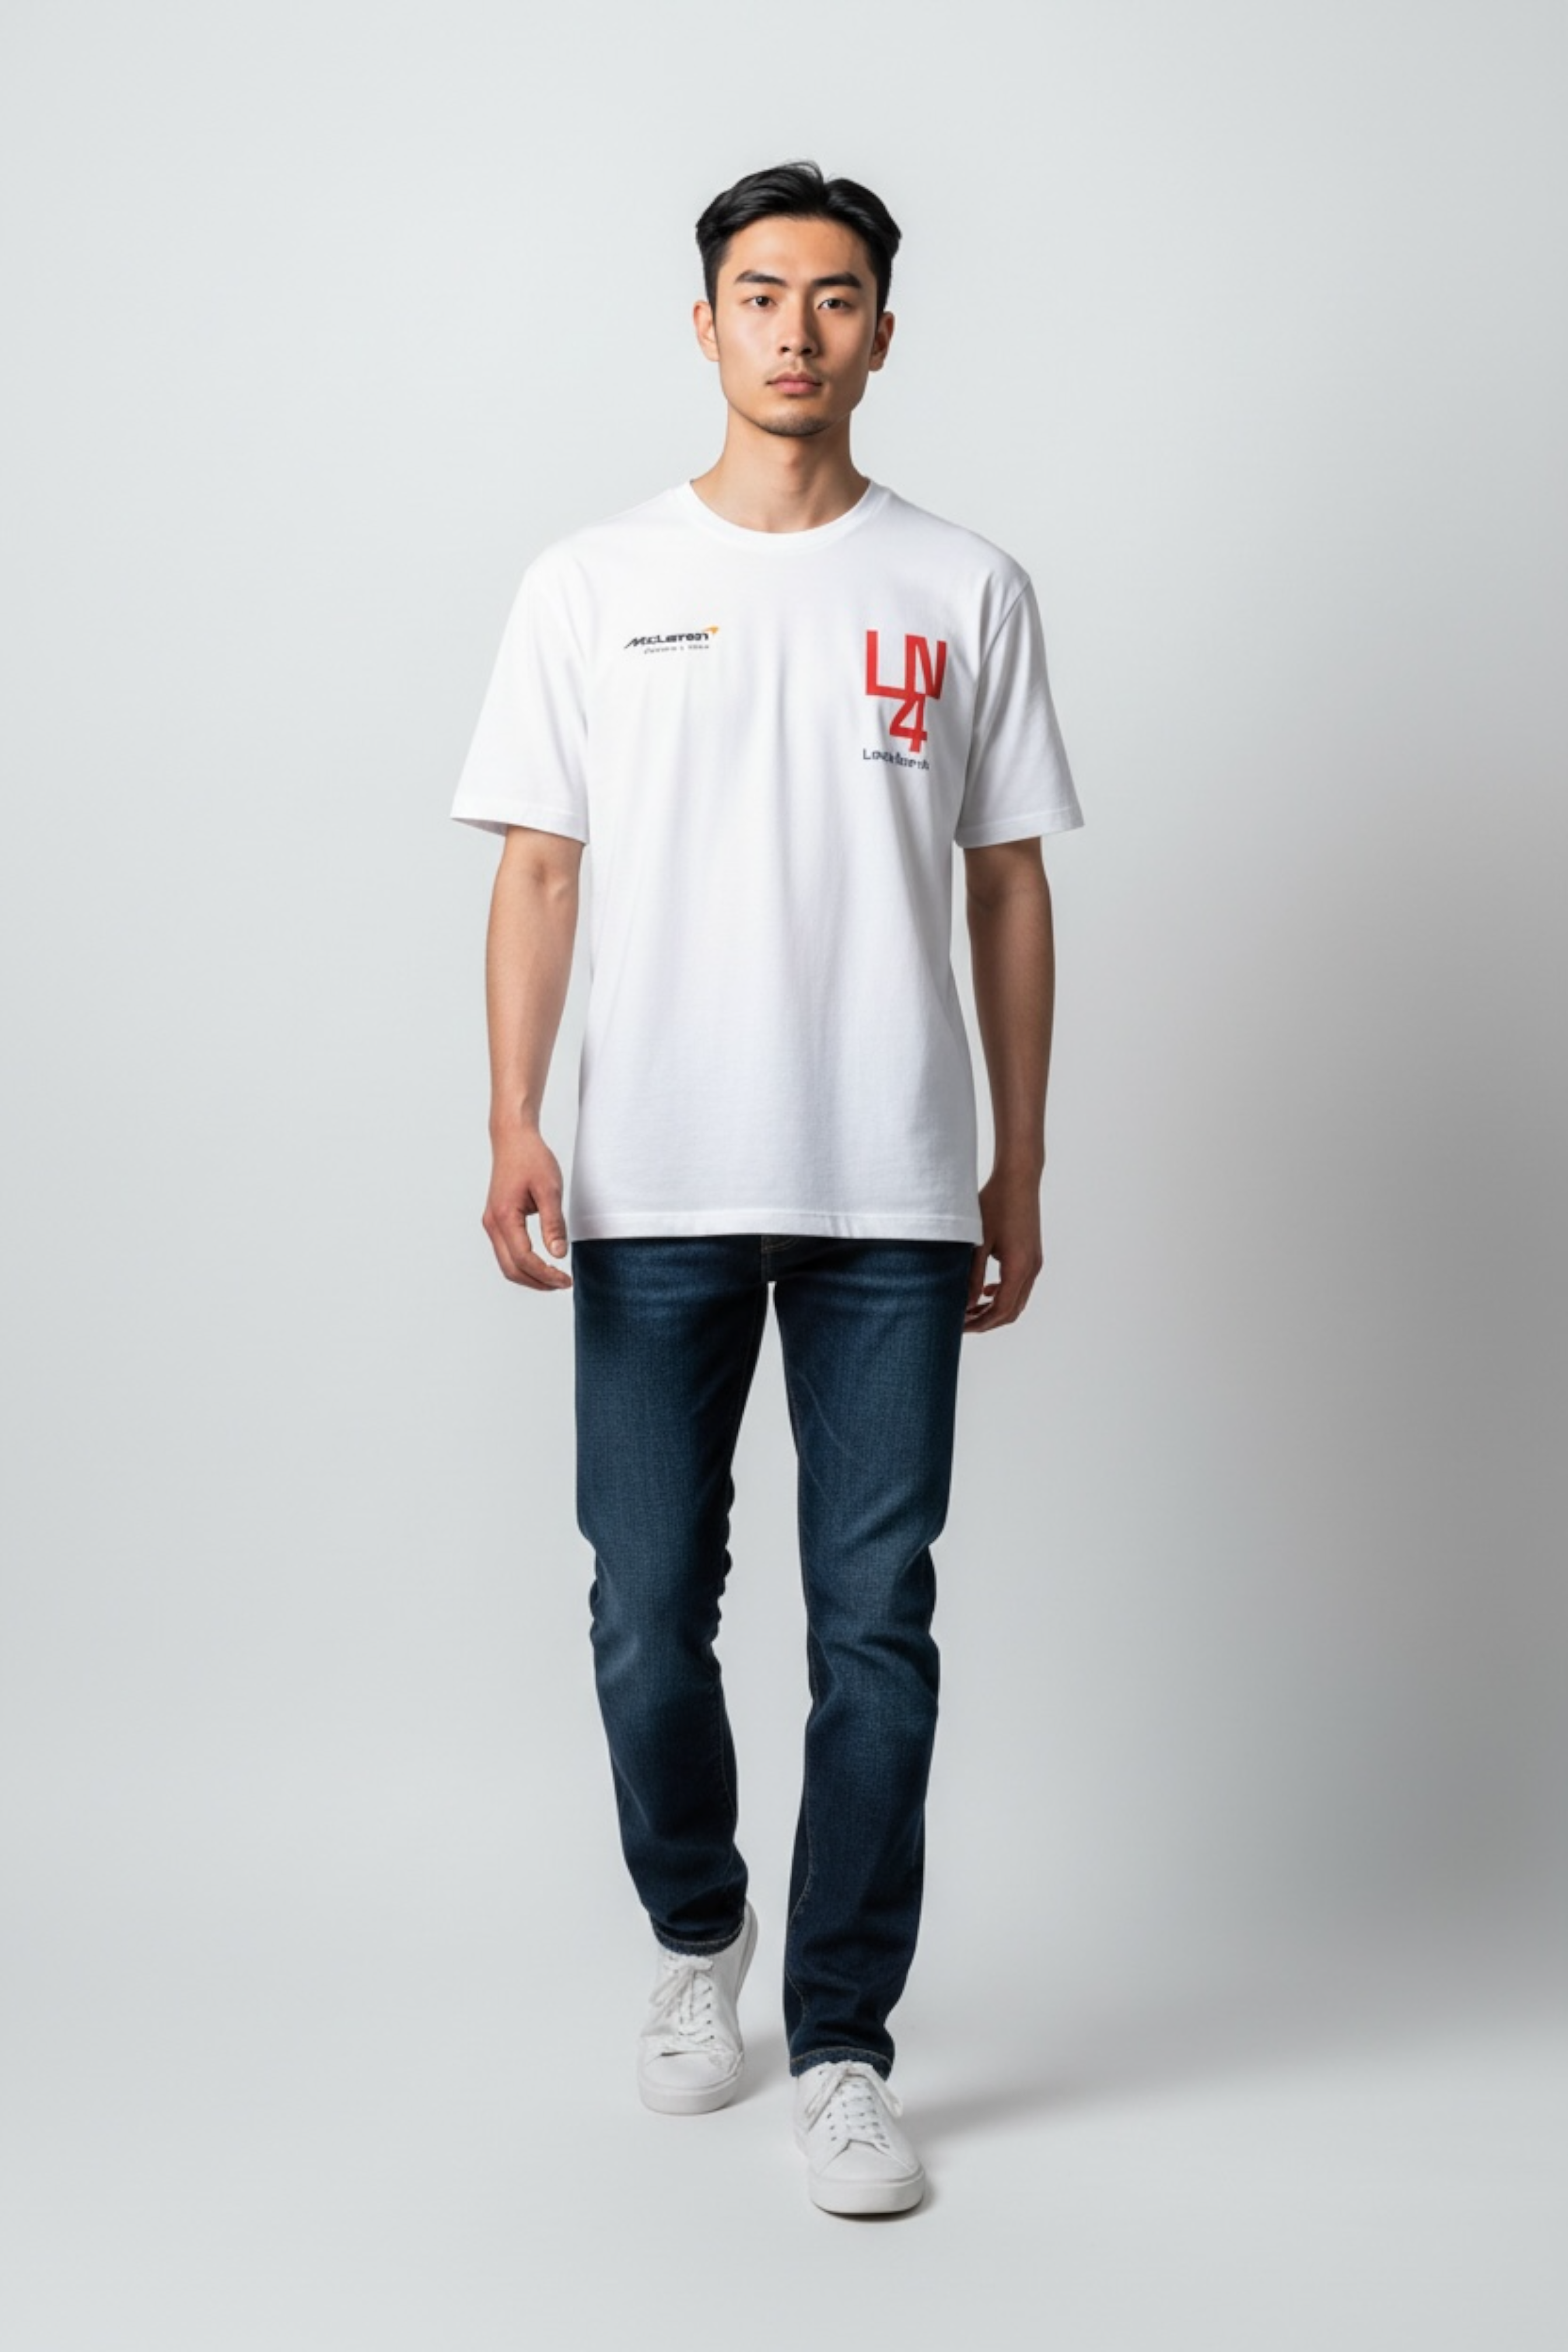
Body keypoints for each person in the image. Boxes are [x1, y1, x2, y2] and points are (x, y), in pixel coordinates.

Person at [450, 159, 1084, 2217]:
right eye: (758, 293)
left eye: (833, 297)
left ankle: (843, 2045)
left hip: (892, 1187)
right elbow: (539, 865)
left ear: (884, 332)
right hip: (653, 1178)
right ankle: (698, 1924)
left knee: (875, 1626)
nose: (795, 330)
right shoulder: (591, 580)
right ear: (705, 322)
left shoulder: (963, 585)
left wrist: (1019, 1156)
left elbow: (1008, 888)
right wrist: (514, 1114)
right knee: (648, 1613)